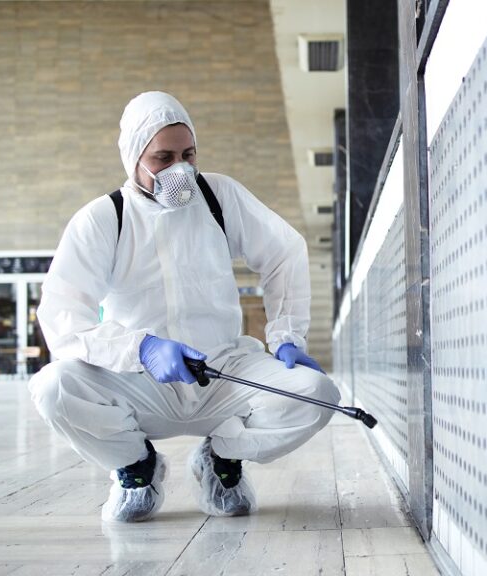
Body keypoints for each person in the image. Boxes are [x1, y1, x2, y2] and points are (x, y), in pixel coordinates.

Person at [28, 91, 340, 523]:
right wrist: (140, 349)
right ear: (133, 157)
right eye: (162, 157)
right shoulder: (104, 219)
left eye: (188, 154)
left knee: (317, 394)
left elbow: (285, 251)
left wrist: (286, 336)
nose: (180, 169)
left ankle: (220, 458)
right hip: (140, 382)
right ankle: (136, 467)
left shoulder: (219, 196)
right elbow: (62, 316)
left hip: (223, 371)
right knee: (54, 387)